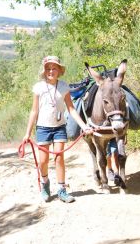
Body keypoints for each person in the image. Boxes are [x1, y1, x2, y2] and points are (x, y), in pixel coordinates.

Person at [23, 56, 93, 203]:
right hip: (42, 128)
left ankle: (62, 190)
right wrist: (27, 133)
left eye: (54, 68)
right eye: (48, 68)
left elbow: (71, 109)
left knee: (59, 158)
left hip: (59, 127)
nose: (51, 71)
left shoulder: (64, 87)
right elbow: (34, 111)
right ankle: (45, 184)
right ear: (44, 71)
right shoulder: (38, 88)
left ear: (59, 70)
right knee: (43, 161)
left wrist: (84, 126)